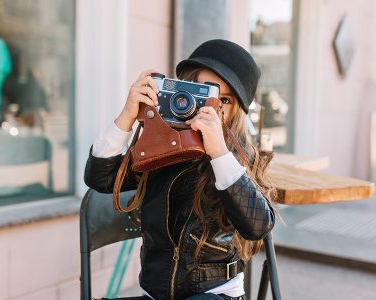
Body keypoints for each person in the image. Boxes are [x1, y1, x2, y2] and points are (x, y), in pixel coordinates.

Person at [84, 39, 277, 300]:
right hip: (156, 293)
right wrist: (128, 116)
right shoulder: (159, 148)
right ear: (179, 92)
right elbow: (101, 179)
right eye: (203, 93)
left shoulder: (236, 159)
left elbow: (258, 227)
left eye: (224, 100)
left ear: (237, 113)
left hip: (214, 294)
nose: (211, 106)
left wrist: (218, 152)